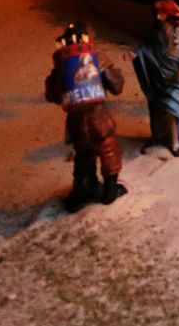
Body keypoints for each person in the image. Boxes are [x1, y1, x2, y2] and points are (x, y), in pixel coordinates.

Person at [45, 22, 127, 210]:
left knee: (84, 155)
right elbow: (117, 87)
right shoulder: (97, 60)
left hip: (77, 124)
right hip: (99, 121)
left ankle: (82, 190)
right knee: (109, 151)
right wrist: (109, 72)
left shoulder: (63, 65)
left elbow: (53, 95)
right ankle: (108, 190)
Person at [132, 0, 179, 156]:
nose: (158, 15)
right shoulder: (156, 30)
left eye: (161, 12)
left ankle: (175, 142)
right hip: (160, 75)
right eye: (157, 12)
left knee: (172, 107)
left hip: (177, 77)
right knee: (161, 107)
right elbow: (149, 47)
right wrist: (136, 54)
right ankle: (164, 136)